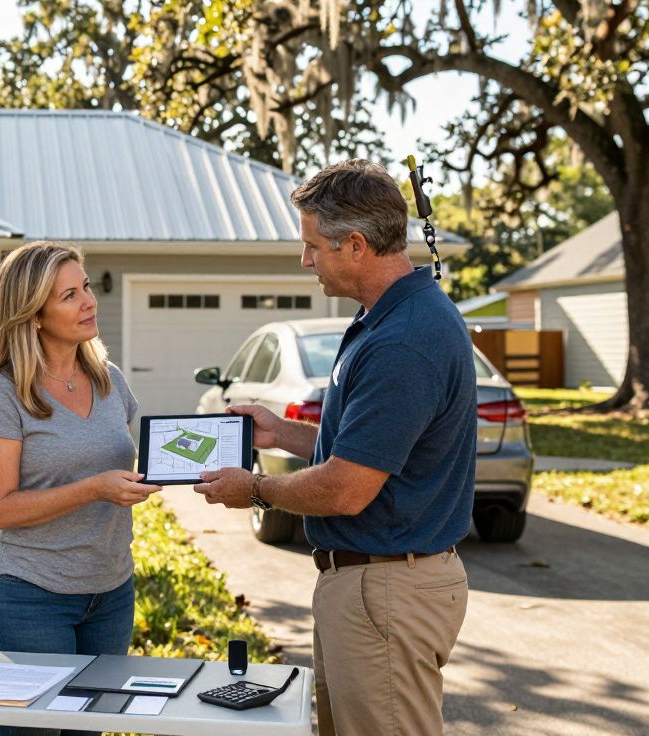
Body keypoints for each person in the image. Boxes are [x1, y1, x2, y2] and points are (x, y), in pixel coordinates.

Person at [193, 159, 475, 735]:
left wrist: (254, 489)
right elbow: (377, 450)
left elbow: (348, 488)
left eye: (312, 246)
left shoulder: (404, 340)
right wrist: (284, 433)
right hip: (373, 586)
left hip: (387, 589)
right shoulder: (386, 318)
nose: (305, 260)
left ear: (354, 245)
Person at [0, 240, 161, 736]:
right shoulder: (1, 393)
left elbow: (132, 459)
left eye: (87, 287)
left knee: (88, 731)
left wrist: (193, 464)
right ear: (33, 314)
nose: (90, 301)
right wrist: (93, 489)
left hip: (111, 589)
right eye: (69, 295)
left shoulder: (109, 380)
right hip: (31, 595)